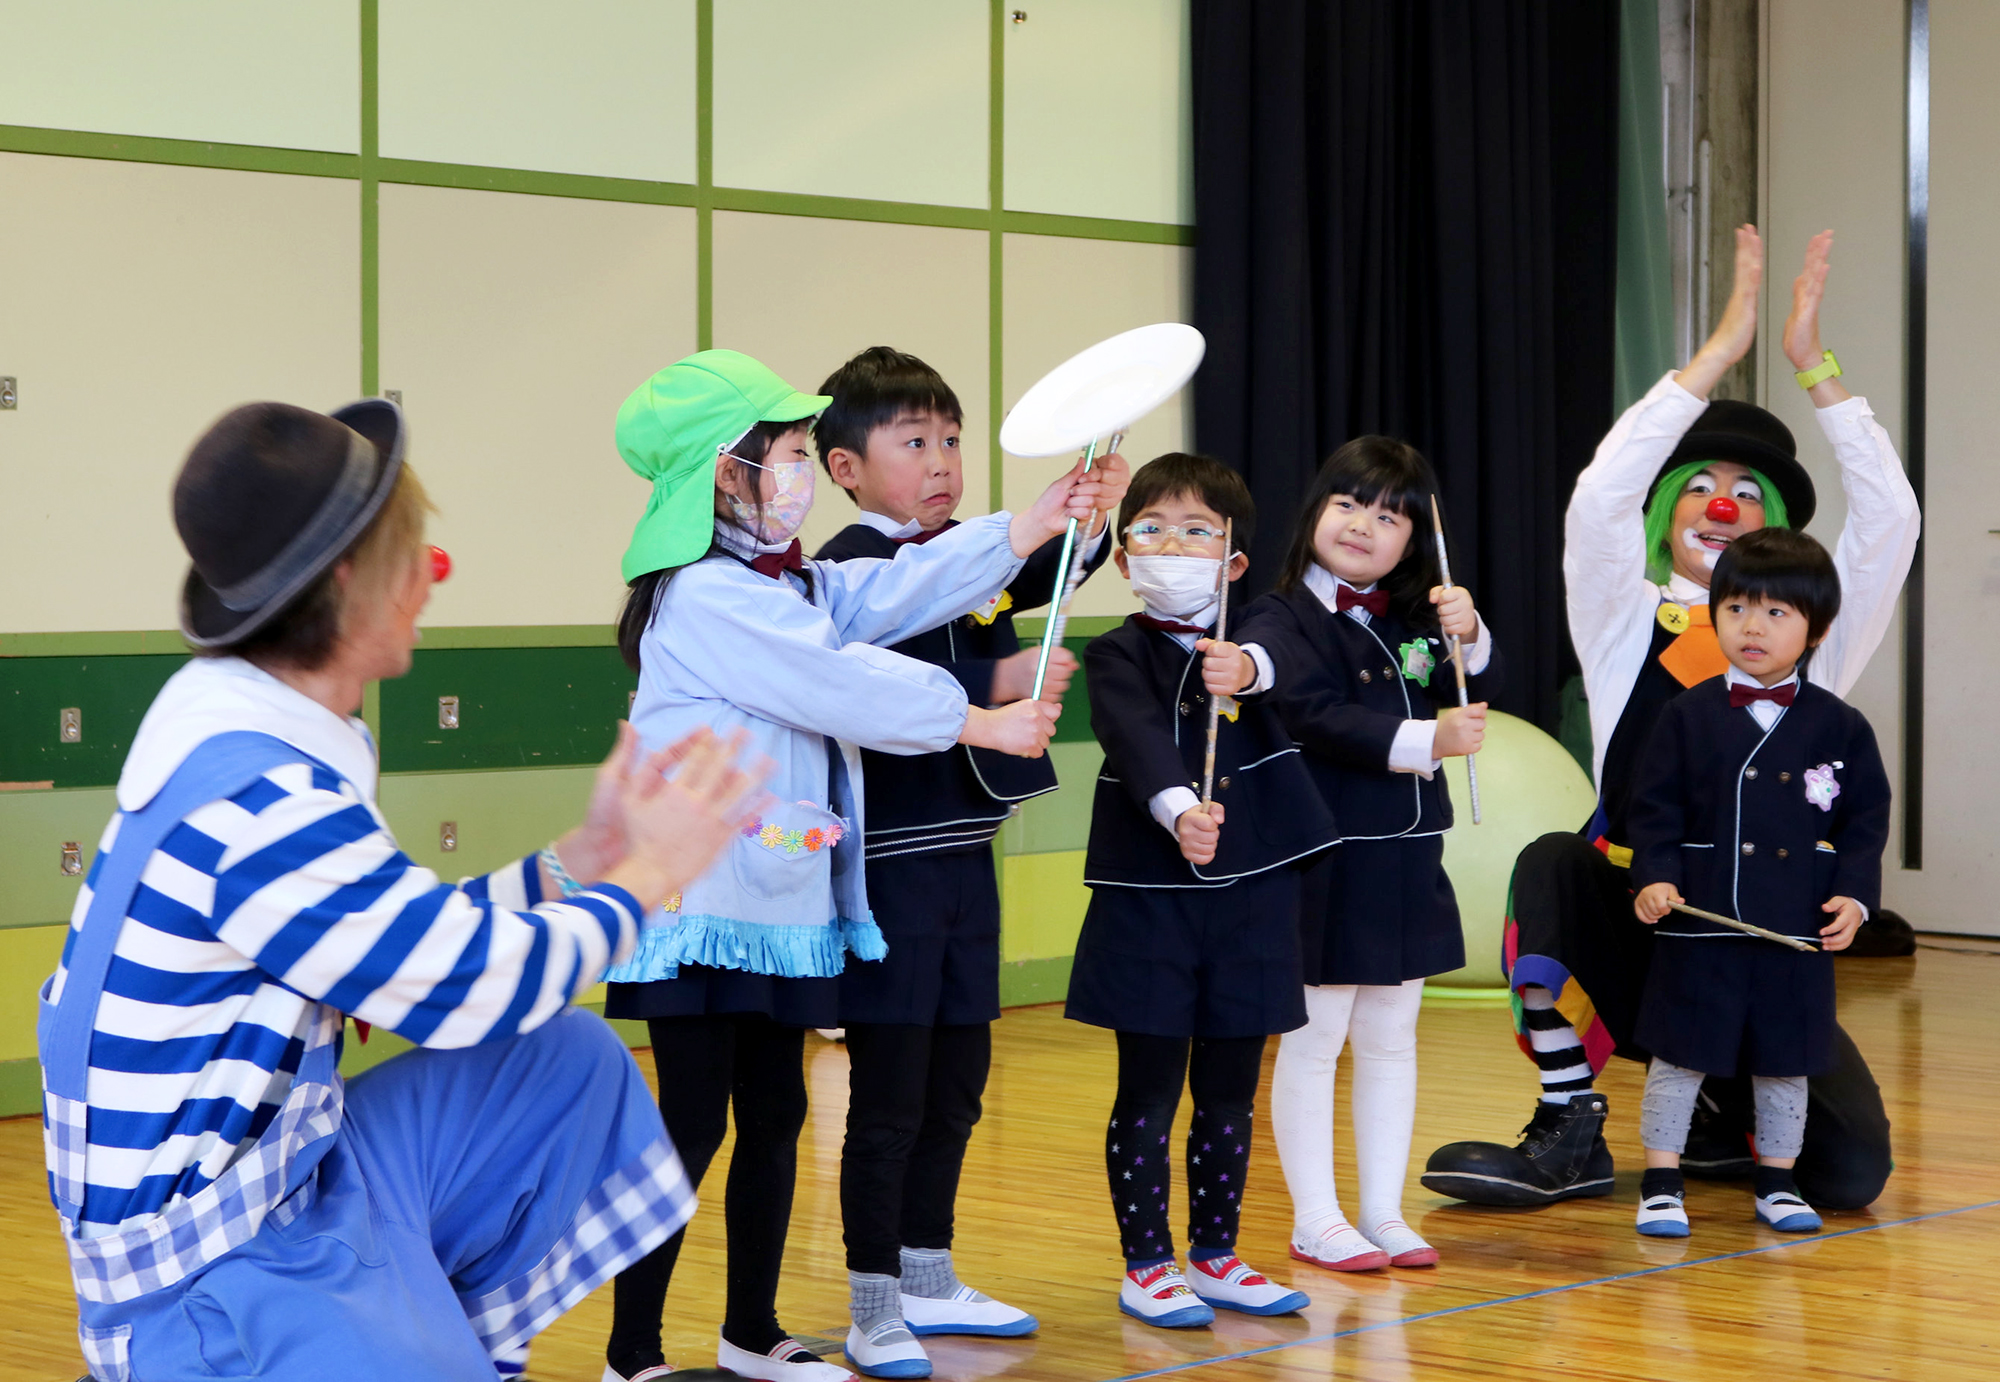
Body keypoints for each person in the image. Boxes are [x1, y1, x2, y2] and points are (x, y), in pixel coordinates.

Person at [38, 399, 766, 1381]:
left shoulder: (262, 735)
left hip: (293, 1168)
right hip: (201, 1270)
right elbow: (460, 989)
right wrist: (645, 879)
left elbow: (407, 937)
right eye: (413, 553)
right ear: (349, 582)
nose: (431, 580)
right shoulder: (260, 796)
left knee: (565, 1062)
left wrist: (579, 861)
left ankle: (419, 1331)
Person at [598, 350, 1109, 1382]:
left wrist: (1030, 523)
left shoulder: (788, 582)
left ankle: (751, 1331)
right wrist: (978, 718)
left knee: (777, 1114)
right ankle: (631, 1350)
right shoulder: (704, 595)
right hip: (701, 901)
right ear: (722, 473)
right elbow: (836, 680)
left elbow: (894, 588)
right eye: (785, 452)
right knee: (690, 1125)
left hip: (774, 903)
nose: (796, 471)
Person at [1421, 228, 1919, 1211]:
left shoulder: (1810, 634)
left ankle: (1718, 1113)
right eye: (1698, 486)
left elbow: (1889, 521)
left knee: (1847, 1173)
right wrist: (1711, 359)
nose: (1721, 507)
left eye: (1746, 494)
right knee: (1554, 861)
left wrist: (1814, 370)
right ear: (1664, 514)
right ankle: (1569, 1121)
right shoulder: (1620, 616)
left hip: (1765, 944)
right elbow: (1598, 496)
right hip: (1644, 922)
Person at [810, 347, 1125, 1379]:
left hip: (963, 862)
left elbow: (1046, 566)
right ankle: (871, 1303)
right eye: (913, 442)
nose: (941, 459)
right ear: (845, 469)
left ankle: (930, 1273)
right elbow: (900, 679)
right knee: (890, 1095)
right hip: (891, 867)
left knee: (956, 1085)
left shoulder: (967, 551)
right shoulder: (853, 568)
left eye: (949, 438)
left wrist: (1094, 513)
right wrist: (989, 688)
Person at [1065, 452, 1334, 1328]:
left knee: (1229, 1089)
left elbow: (1286, 652)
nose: (1171, 545)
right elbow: (1133, 732)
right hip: (1148, 896)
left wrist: (1246, 670)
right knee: (1147, 1088)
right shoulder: (1113, 652)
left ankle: (1215, 1253)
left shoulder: (1264, 626)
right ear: (1123, 556)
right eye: (1151, 529)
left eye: (1196, 531)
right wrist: (1179, 808)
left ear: (1233, 561)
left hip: (1253, 897)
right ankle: (1146, 1263)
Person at [1237, 437, 1502, 1272]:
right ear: (1316, 510)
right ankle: (1315, 1217)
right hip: (1327, 858)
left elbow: (1468, 671)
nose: (1363, 525)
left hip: (1409, 856)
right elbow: (1311, 713)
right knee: (1316, 1040)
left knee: (1392, 1035)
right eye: (1348, 503)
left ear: (1413, 537)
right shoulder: (1277, 616)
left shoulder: (1417, 612)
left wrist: (1474, 633)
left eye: (1388, 515)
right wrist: (1430, 736)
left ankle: (1383, 1211)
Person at [1625, 528, 1891, 1237]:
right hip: (1699, 924)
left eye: (1778, 613)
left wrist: (1857, 896)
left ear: (1816, 629)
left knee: (1786, 1064)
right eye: (1738, 607)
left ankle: (1778, 1182)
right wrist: (1654, 877)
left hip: (1794, 928)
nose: (1753, 626)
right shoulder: (1686, 715)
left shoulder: (1841, 726)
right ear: (1714, 615)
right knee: (1679, 1057)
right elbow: (1653, 810)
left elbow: (1867, 819)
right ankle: (1660, 1181)